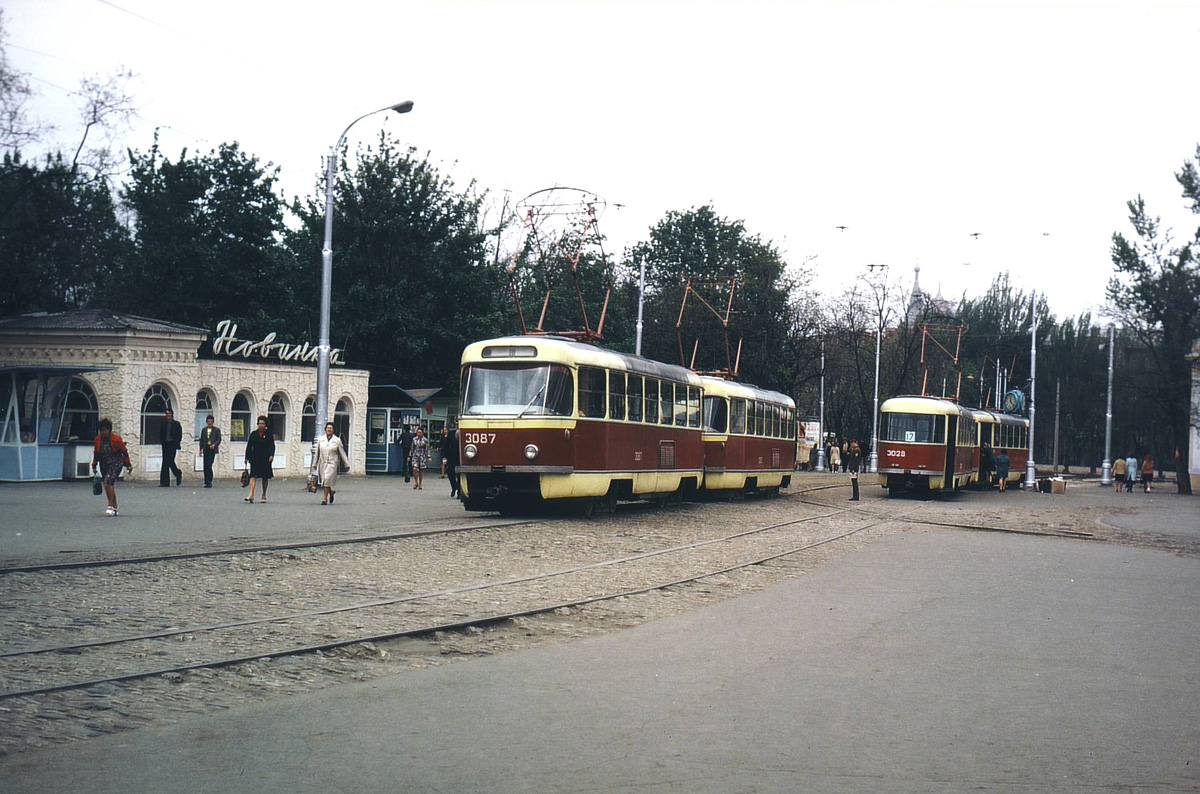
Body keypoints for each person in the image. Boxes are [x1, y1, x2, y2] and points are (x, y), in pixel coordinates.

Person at [92, 418, 133, 516]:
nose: (102, 432)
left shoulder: (117, 439)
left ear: (109, 430)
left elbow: (124, 452)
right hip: (104, 464)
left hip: (116, 463)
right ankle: (115, 507)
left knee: (107, 482)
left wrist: (128, 464)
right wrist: (94, 465)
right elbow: (96, 453)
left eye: (104, 430)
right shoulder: (97, 439)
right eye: (101, 430)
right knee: (110, 484)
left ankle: (110, 506)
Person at [314, 421, 349, 505]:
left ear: (333, 430)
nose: (329, 430)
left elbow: (342, 453)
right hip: (323, 462)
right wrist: (314, 464)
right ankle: (331, 491)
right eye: (328, 428)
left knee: (326, 479)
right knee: (324, 481)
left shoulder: (337, 440)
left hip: (332, 463)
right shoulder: (320, 439)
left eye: (331, 428)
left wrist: (346, 464)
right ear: (325, 429)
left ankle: (324, 498)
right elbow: (317, 452)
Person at [243, 415, 275, 503]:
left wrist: (271, 455)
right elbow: (249, 446)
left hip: (265, 458)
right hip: (255, 458)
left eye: (262, 424)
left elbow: (272, 446)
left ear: (265, 425)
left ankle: (264, 494)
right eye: (259, 423)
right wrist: (246, 457)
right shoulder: (253, 434)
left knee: (265, 477)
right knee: (252, 476)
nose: (260, 425)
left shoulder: (268, 434)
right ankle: (250, 495)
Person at [158, 408, 183, 487]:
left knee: (170, 461)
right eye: (167, 413)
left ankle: (177, 473)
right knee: (165, 462)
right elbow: (161, 434)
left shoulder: (176, 424)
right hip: (165, 444)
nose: (168, 415)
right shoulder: (163, 424)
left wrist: (176, 443)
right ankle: (165, 482)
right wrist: (162, 442)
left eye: (169, 413)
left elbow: (179, 435)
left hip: (173, 444)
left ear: (172, 414)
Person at [198, 414, 221, 488]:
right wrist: (200, 449)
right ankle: (206, 481)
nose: (209, 423)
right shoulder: (204, 430)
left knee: (209, 464)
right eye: (208, 421)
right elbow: (201, 440)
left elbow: (219, 439)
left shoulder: (216, 430)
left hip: (212, 449)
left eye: (211, 421)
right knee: (205, 465)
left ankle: (209, 480)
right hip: (206, 448)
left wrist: (214, 445)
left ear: (213, 422)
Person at [409, 426, 430, 490]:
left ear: (422, 433)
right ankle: (416, 482)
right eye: (418, 432)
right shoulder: (414, 439)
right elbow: (412, 448)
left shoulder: (425, 440)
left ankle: (420, 483)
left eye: (420, 432)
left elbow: (427, 449)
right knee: (414, 468)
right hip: (415, 455)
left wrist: (428, 456)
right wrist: (410, 456)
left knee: (421, 469)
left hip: (422, 455)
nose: (419, 434)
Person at [443, 426, 460, 498]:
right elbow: (445, 446)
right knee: (450, 474)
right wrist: (445, 457)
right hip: (451, 458)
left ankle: (459, 491)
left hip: (461, 458)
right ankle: (454, 487)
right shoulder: (451, 434)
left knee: (460, 476)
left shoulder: (466, 434)